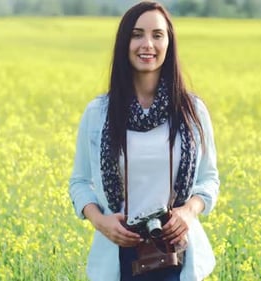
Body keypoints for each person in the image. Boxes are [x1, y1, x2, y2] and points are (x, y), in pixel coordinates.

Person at [68, 1, 220, 280]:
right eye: (137, 34)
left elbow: (209, 180)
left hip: (178, 252)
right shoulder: (99, 113)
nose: (147, 44)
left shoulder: (191, 111)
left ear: (169, 44)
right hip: (118, 253)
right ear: (124, 43)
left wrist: (188, 212)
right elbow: (79, 182)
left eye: (157, 35)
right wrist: (101, 222)